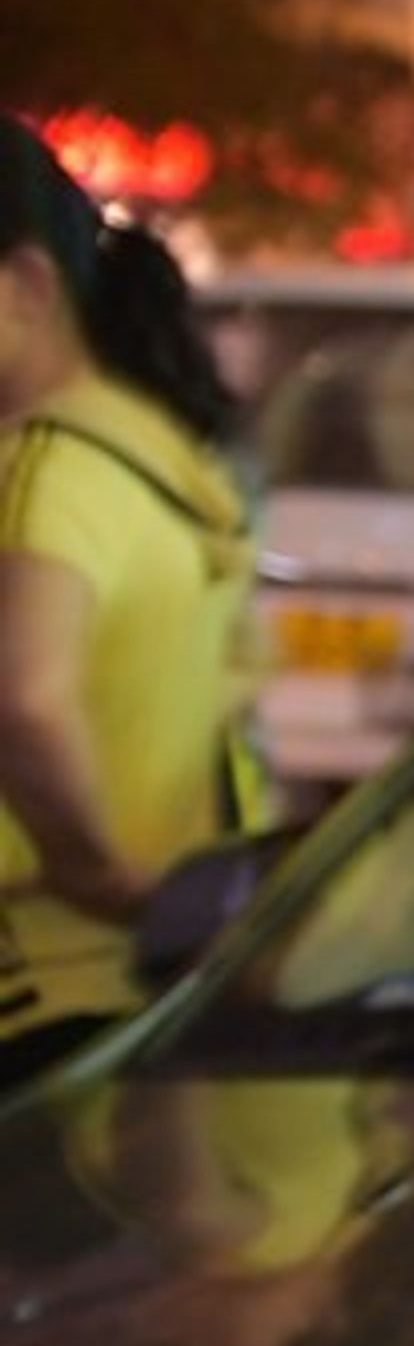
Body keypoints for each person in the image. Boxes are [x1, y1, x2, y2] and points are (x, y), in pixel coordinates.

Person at [0, 117, 266, 1096]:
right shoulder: (152, 459)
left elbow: (23, 700)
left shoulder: (42, 470)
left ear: (28, 289)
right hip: (155, 981)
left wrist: (99, 879)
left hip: (44, 990)